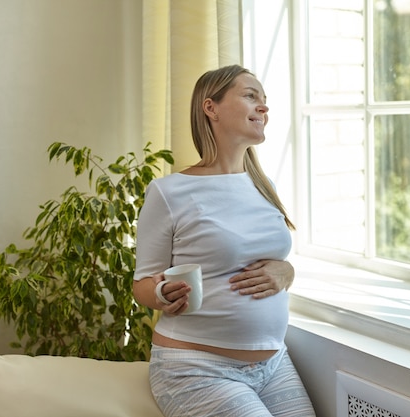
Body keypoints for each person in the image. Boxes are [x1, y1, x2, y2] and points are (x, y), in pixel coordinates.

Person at [132, 65, 315, 417]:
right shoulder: (169, 192)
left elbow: (268, 258)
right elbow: (141, 284)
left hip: (273, 363)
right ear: (210, 107)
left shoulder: (265, 187)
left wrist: (287, 271)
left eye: (265, 101)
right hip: (195, 367)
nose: (263, 107)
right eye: (250, 96)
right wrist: (160, 293)